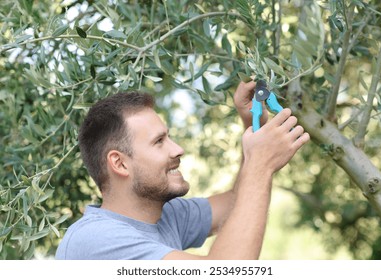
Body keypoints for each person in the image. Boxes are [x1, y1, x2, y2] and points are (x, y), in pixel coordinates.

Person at [55, 81, 310, 260]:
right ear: (120, 164)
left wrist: (253, 126)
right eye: (159, 141)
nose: (178, 149)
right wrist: (260, 163)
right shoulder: (96, 240)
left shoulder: (167, 216)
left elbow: (239, 202)